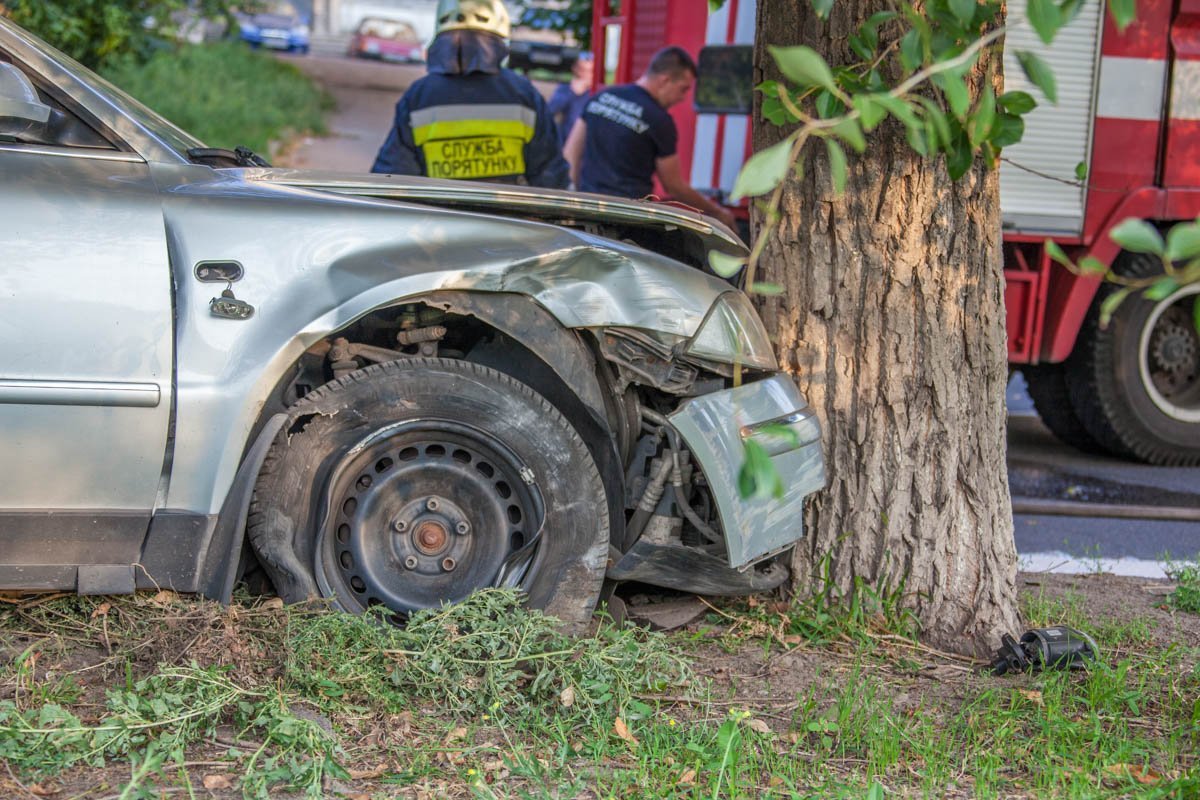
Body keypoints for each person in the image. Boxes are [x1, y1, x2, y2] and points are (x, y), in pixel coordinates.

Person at [370, 0, 567, 188]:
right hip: (506, 219)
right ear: (499, 38)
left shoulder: (419, 95)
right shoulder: (523, 94)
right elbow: (550, 176)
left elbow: (393, 176)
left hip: (439, 219)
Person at [563, 46, 736, 229]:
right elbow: (673, 186)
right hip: (628, 219)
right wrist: (718, 213)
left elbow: (570, 154)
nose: (682, 98)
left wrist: (573, 203)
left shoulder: (602, 97)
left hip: (588, 211)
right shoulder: (659, 120)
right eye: (683, 89)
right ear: (665, 80)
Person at [547, 51, 593, 149]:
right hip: (566, 141)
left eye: (589, 71)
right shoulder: (565, 89)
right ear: (574, 69)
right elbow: (550, 110)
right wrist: (572, 93)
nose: (584, 75)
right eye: (581, 70)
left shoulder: (596, 92)